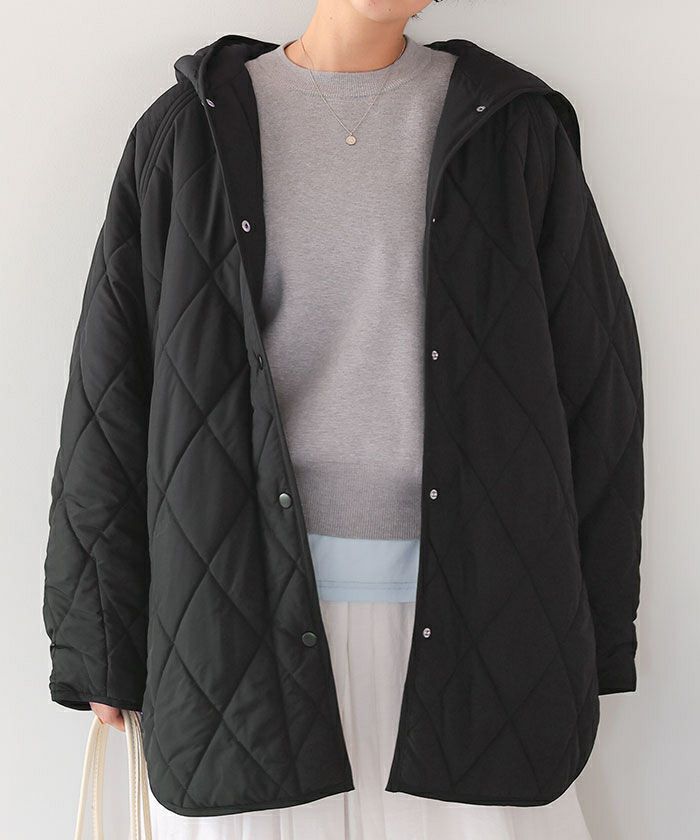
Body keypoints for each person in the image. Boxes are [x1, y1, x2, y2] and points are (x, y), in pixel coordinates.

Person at [43, 1, 644, 838]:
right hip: (235, 611)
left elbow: (597, 390)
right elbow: (113, 388)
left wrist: (599, 633)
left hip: (481, 604)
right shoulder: (189, 131)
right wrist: (98, 641)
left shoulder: (512, 128)